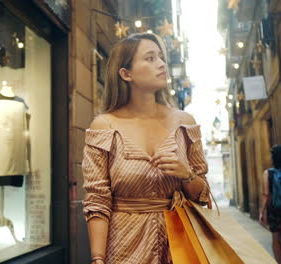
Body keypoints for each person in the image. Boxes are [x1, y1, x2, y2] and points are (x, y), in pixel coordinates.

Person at [82, 33, 210, 264]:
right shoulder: (104, 126)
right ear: (126, 74)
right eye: (150, 58)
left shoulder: (185, 123)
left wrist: (186, 174)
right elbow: (97, 199)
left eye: (161, 57)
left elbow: (203, 195)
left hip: (180, 245)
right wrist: (98, 258)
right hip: (124, 248)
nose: (161, 64)